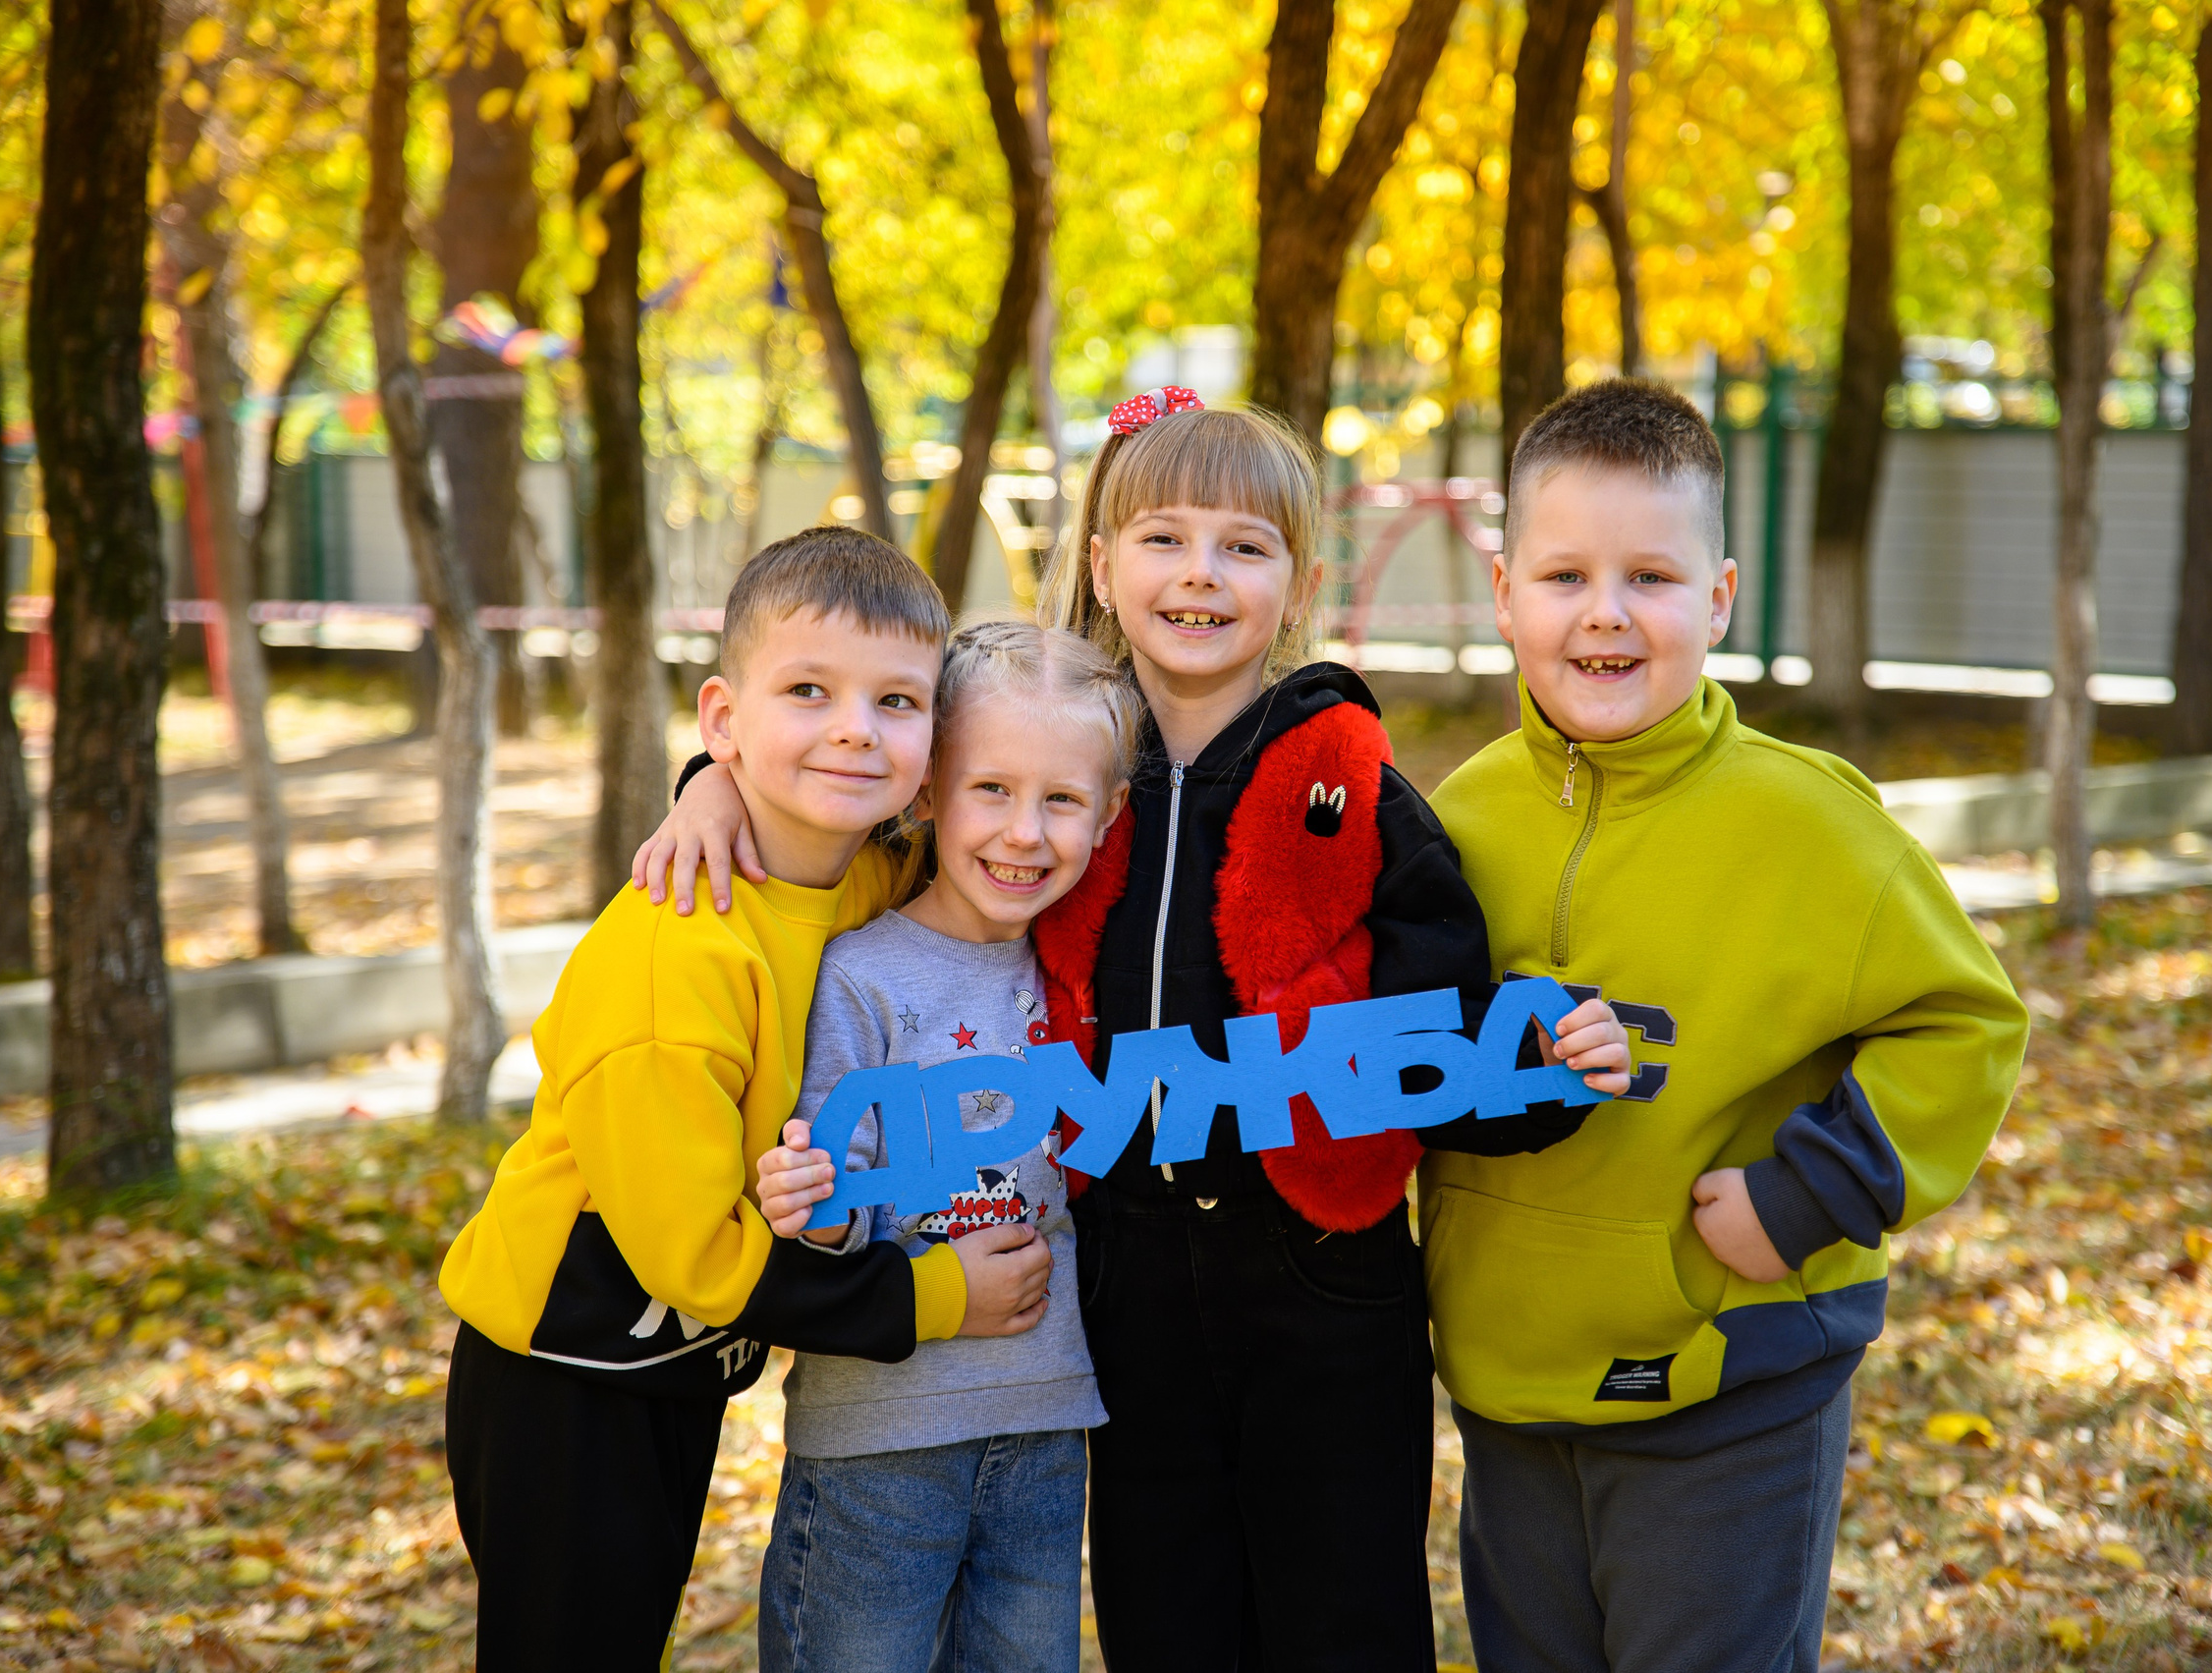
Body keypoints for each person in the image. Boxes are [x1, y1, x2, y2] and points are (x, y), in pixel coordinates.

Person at [635, 393, 1634, 1672]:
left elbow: (1438, 1030)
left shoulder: (1350, 788)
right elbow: (859, 762)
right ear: (1103, 562)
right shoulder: (1047, 751)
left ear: (1298, 579)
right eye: (1163, 538)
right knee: (1170, 1610)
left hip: (1325, 1280)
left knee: (1346, 1612)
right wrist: (711, 782)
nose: (1201, 574)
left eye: (1243, 545)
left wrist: (1546, 1075)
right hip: (1123, 1279)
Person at [1422, 379, 2031, 1673]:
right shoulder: (1454, 822)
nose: (1604, 611)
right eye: (1565, 572)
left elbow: (1966, 1021)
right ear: (1502, 590)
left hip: (1730, 1380)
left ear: (1718, 596)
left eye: (1651, 574)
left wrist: (1806, 1192)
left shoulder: (1808, 821)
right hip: (1508, 1383)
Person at [437, 528, 1056, 1673]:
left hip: (670, 1363)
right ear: (723, 718)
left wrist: (710, 787)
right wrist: (935, 1293)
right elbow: (697, 1257)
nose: (853, 727)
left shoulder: (870, 874)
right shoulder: (676, 963)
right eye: (808, 691)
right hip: (566, 1371)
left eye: (896, 701)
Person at [747, 620, 1143, 1673]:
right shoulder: (861, 974)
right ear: (926, 790)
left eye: (1061, 799)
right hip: (880, 1438)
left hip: (1048, 1424)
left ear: (1106, 816)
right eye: (991, 790)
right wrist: (812, 1202)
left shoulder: (1082, 977)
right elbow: (830, 1218)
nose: (1025, 832)